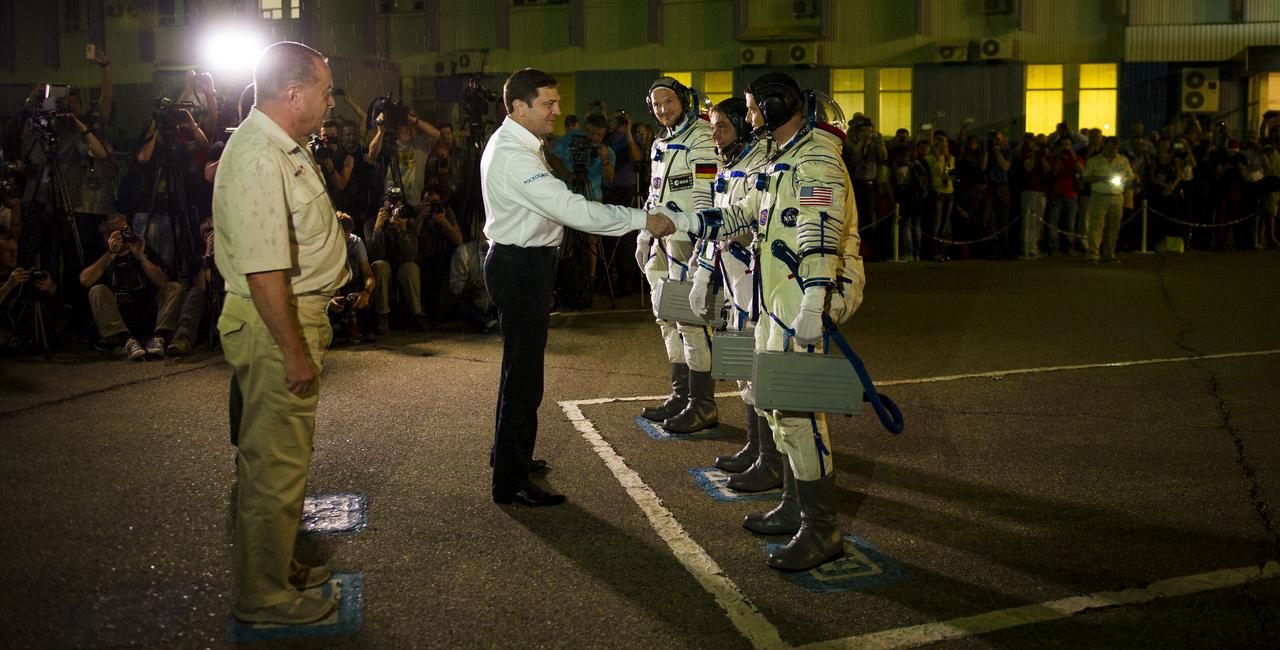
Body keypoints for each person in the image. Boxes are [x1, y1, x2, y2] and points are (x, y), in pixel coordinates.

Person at [689, 72, 865, 572]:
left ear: (772, 106)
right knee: (774, 402)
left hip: (800, 294)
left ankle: (822, 528)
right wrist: (683, 224)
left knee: (798, 410)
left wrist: (813, 302)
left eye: (750, 109)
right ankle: (796, 505)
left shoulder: (814, 161)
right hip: (778, 293)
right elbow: (743, 215)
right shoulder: (783, 159)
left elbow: (819, 231)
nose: (747, 119)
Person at [481, 68, 680, 507]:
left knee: (518, 369)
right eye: (547, 104)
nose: (557, 111)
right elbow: (573, 209)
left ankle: (508, 456)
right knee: (524, 376)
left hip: (521, 263)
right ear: (518, 107)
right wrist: (641, 220)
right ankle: (510, 481)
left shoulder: (518, 144)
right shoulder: (513, 155)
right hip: (521, 267)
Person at [213, 41, 348, 625]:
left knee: (275, 460)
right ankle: (264, 596)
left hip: (286, 317)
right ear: (293, 94)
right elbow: (264, 269)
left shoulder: (276, 145)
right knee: (275, 465)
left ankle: (276, 564)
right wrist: (294, 351)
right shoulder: (261, 154)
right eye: (324, 91)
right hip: (277, 324)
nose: (330, 103)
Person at [687, 97, 780, 492]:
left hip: (758, 286)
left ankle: (772, 462)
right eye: (712, 125)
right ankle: (756, 448)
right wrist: (703, 268)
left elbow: (743, 226)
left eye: (722, 125)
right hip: (735, 285)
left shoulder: (762, 165)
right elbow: (718, 223)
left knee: (761, 375)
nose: (714, 133)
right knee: (745, 372)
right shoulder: (731, 165)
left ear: (743, 126)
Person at [637, 76, 720, 434]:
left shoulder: (701, 137)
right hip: (662, 239)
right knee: (664, 315)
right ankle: (681, 393)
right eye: (656, 105)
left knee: (690, 321)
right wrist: (644, 231)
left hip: (686, 238)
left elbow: (705, 193)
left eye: (668, 101)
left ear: (684, 101)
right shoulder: (662, 142)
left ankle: (702, 404)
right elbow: (656, 193)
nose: (663, 110)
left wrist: (701, 237)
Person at [1080, 136, 1134, 263]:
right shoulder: (1094, 161)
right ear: (1104, 146)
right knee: (1096, 225)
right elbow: (1085, 177)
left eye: (1114, 147)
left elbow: (1131, 176)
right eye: (1109, 147)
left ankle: (1109, 254)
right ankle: (1093, 254)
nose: (1112, 150)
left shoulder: (1123, 160)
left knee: (1113, 226)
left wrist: (1124, 179)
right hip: (1099, 195)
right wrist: (1101, 178)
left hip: (1117, 196)